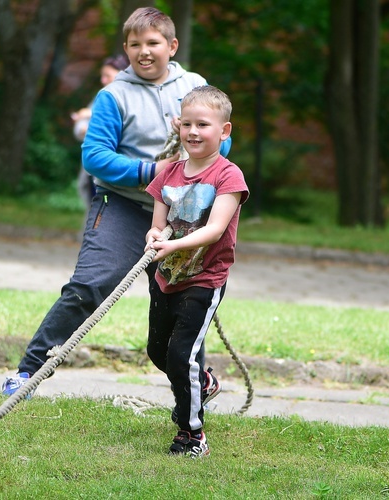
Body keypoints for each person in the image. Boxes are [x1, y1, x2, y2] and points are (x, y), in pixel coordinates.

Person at [1, 7, 231, 404]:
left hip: (183, 217)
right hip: (122, 208)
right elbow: (95, 158)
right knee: (89, 287)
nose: (144, 51)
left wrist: (196, 146)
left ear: (172, 46)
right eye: (135, 44)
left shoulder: (193, 86)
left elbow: (223, 145)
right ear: (125, 49)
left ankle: (195, 389)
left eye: (153, 43)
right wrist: (154, 170)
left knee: (185, 304)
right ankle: (28, 370)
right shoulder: (113, 95)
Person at [144, 85, 249, 458]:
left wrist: (172, 245)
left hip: (204, 278)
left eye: (202, 124)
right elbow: (159, 224)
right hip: (166, 276)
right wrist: (156, 238)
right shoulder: (168, 174)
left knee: (181, 355)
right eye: (186, 123)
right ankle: (203, 382)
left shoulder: (228, 176)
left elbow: (215, 230)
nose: (192, 131)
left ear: (224, 131)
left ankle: (192, 435)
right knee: (158, 351)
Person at [71, 54, 130, 210]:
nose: (103, 80)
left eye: (107, 76)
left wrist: (89, 115)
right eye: (102, 76)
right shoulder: (103, 95)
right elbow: (80, 127)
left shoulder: (132, 97)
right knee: (95, 209)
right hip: (95, 171)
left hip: (120, 172)